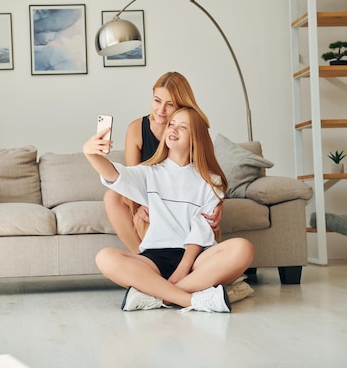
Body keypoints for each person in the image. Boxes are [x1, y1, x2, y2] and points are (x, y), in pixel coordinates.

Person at [83, 107, 254, 313]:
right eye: (172, 124)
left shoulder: (212, 181)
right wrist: (90, 154)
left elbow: (201, 230)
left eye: (183, 127)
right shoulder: (148, 173)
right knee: (105, 257)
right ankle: (192, 300)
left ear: (195, 139)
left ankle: (158, 295)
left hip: (196, 260)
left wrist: (183, 268)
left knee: (243, 248)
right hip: (154, 258)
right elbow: (113, 175)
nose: (173, 129)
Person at [104, 72, 223, 254]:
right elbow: (131, 178)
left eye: (170, 104)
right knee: (112, 196)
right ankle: (144, 261)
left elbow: (209, 177)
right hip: (149, 197)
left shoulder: (194, 129)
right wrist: (141, 206)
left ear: (182, 105)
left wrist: (219, 205)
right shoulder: (137, 128)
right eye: (157, 101)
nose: (161, 110)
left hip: (184, 201)